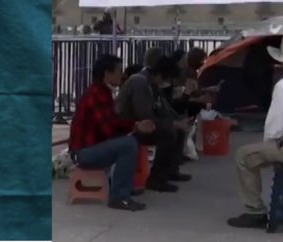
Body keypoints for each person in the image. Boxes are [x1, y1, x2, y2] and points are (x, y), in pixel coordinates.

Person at [228, 33, 283, 229]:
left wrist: (270, 147)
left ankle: (255, 211)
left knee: (244, 156)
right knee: (282, 150)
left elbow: (273, 130)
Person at [69, 54, 156, 211]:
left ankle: (123, 189)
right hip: (83, 152)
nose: (122, 75)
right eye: (118, 71)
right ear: (106, 74)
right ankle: (120, 197)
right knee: (128, 144)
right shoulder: (96, 94)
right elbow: (107, 128)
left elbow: (110, 126)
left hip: (90, 148)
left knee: (130, 141)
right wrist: (135, 126)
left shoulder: (102, 92)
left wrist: (134, 127)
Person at [117, 54, 192, 192]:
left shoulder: (152, 83)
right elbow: (145, 116)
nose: (169, 84)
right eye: (169, 80)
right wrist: (172, 124)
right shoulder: (140, 83)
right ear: (161, 75)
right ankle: (156, 179)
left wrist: (178, 120)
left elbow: (164, 108)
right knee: (167, 134)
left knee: (178, 131)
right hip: (128, 127)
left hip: (141, 124)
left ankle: (170, 170)